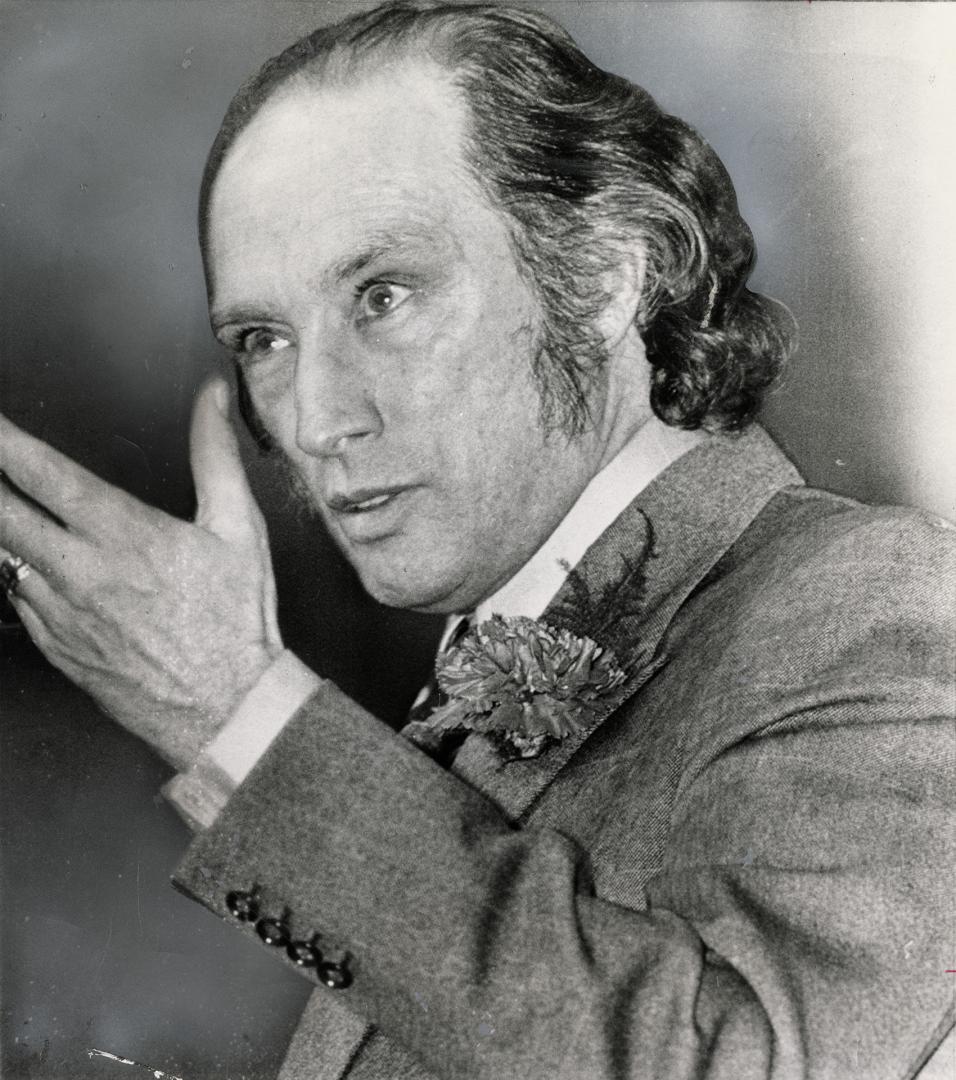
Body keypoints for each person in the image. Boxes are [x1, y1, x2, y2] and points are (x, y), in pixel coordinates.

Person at [0, 2, 952, 1077]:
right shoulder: (482, 658)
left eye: (384, 295)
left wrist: (235, 713)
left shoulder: (874, 598)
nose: (314, 420)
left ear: (604, 279)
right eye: (262, 339)